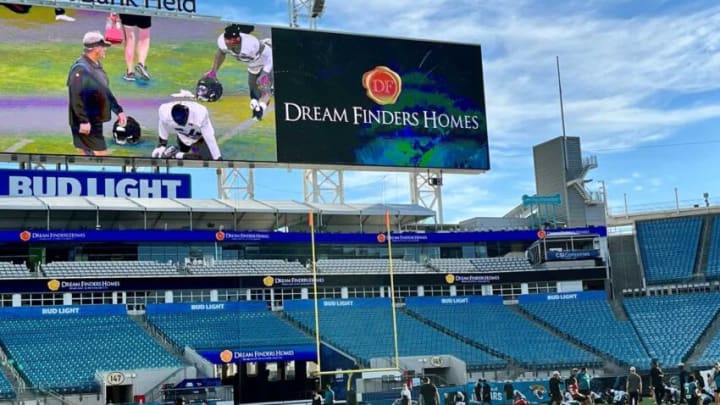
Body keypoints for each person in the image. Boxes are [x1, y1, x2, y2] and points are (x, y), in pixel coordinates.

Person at [67, 31, 127, 156]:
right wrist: (83, 121)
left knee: (89, 154)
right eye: (103, 47)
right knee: (100, 154)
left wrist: (118, 110)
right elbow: (75, 97)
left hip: (94, 119)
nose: (105, 49)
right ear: (95, 48)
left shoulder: (95, 66)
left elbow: (104, 90)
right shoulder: (80, 69)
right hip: (85, 120)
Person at [204, 24, 273, 120]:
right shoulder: (222, 42)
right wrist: (214, 70)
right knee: (253, 91)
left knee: (264, 88)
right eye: (228, 39)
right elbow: (221, 53)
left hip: (267, 60)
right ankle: (257, 107)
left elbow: (270, 54)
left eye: (235, 39)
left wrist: (265, 73)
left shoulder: (251, 43)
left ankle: (261, 109)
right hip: (253, 65)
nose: (231, 42)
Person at [153, 101, 221, 160]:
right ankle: (175, 153)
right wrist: (162, 144)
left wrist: (218, 158)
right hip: (182, 138)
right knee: (184, 161)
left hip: (199, 141)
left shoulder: (200, 113)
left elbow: (209, 138)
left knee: (197, 158)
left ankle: (175, 154)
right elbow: (163, 124)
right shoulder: (165, 112)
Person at [115, 13, 152, 81]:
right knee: (145, 36)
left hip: (128, 7)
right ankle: (141, 64)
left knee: (129, 38)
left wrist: (113, 12)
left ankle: (130, 72)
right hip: (143, 7)